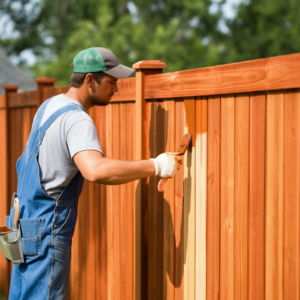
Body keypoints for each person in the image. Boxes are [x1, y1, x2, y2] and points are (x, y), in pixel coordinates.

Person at [7, 47, 181, 299]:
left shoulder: (50, 105)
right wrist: (155, 165)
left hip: (24, 229)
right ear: (90, 80)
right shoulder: (77, 120)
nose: (116, 89)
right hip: (46, 235)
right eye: (111, 82)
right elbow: (95, 170)